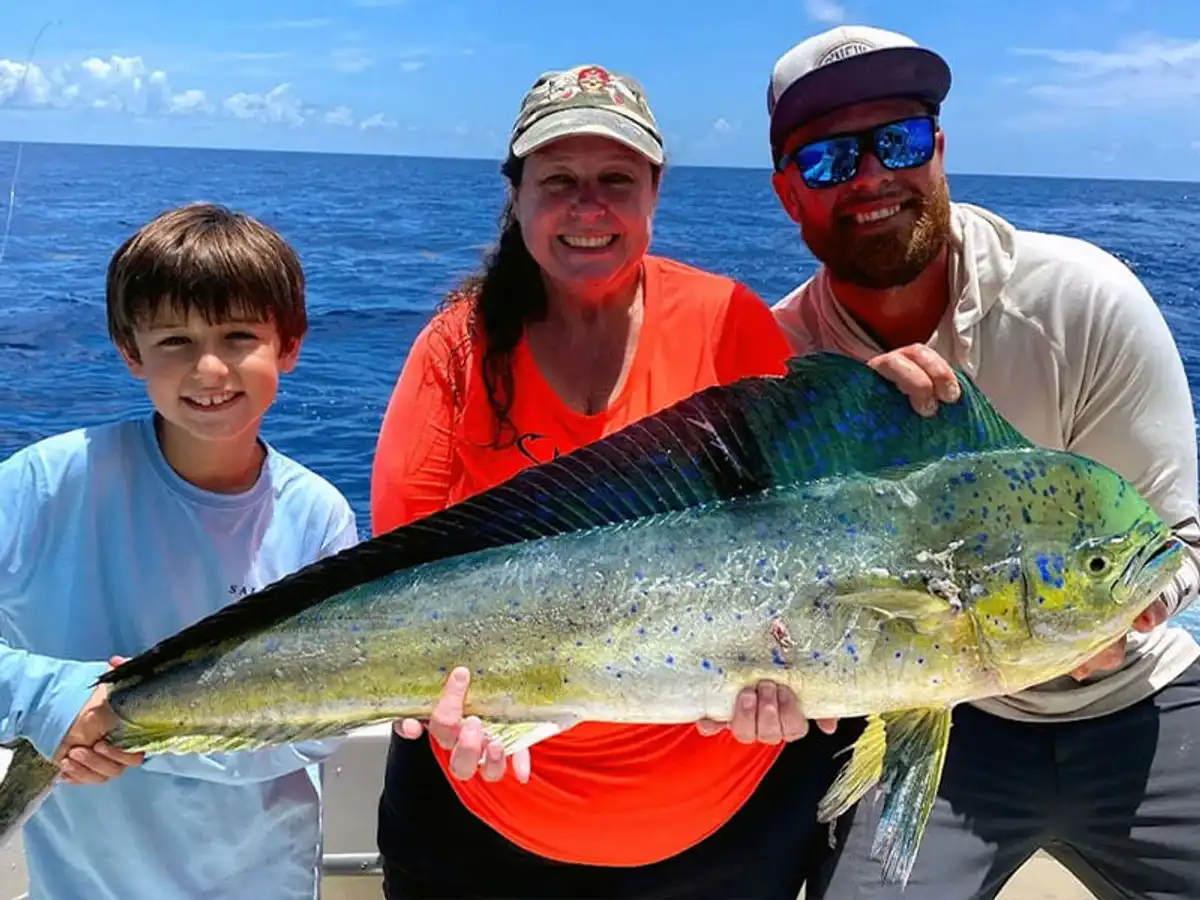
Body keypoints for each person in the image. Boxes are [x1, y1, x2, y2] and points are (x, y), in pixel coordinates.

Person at [368, 63, 945, 899]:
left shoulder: (729, 322)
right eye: (558, 181)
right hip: (480, 827)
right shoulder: (455, 350)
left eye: (616, 180)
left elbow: (812, 540)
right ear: (517, 195)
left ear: (654, 193)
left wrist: (872, 415)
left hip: (720, 839)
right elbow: (397, 590)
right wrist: (445, 706)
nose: (588, 207)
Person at [763, 24, 1200, 900]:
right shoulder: (780, 368)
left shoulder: (1083, 301)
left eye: (898, 141)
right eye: (828, 160)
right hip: (944, 719)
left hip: (1142, 705)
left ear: (939, 148)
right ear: (788, 194)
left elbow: (1177, 542)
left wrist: (1131, 616)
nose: (871, 177)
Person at [0, 203, 359, 899]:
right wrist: (54, 699)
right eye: (175, 340)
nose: (210, 368)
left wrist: (125, 726)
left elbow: (321, 721)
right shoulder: (44, 484)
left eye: (239, 335)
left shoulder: (317, 517)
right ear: (130, 351)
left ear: (289, 345)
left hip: (267, 880)